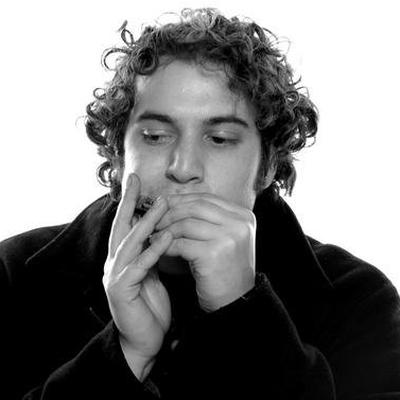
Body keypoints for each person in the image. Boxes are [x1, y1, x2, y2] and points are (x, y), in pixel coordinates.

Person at [1, 8, 400, 399]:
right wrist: (124, 355)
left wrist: (243, 315)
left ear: (267, 166)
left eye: (220, 139)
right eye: (155, 136)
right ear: (119, 155)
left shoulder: (358, 301)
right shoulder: (12, 276)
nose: (183, 168)